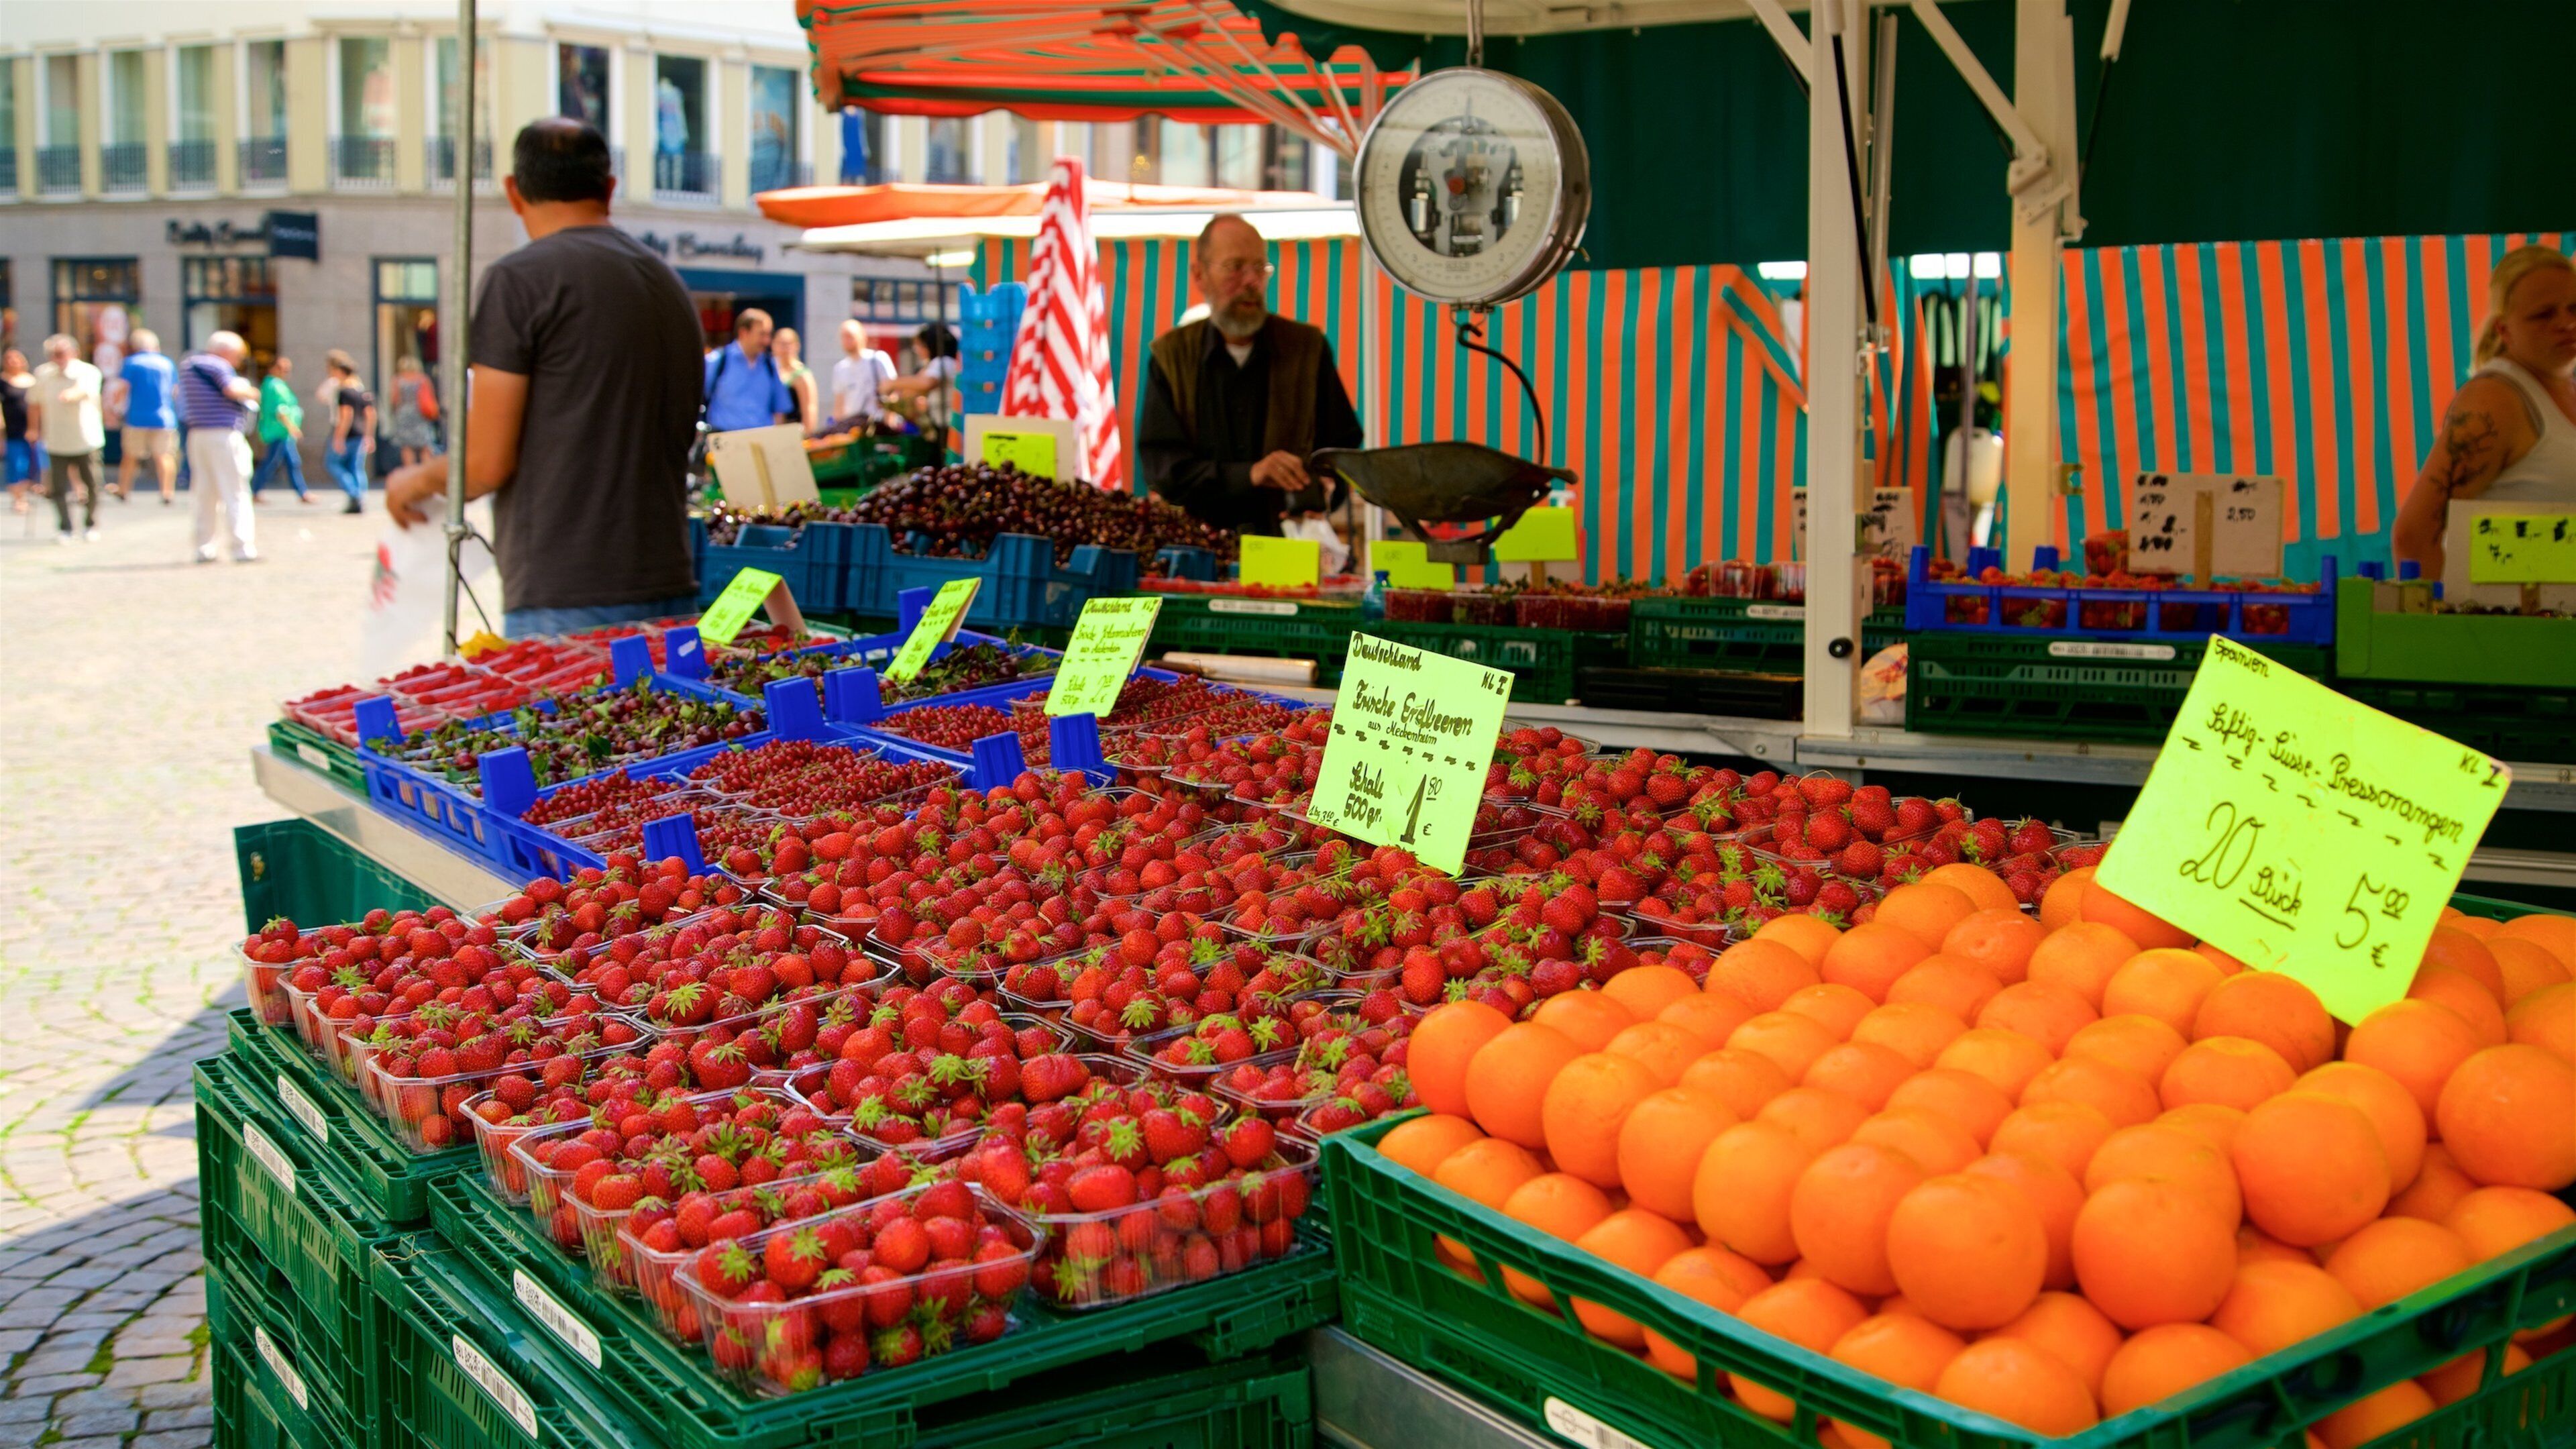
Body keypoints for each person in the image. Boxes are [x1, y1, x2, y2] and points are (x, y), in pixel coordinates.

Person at [384, 117, 701, 637]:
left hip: (566, 590)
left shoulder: (519, 281)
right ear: (610, 188)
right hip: (669, 577)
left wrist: (410, 481)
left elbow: (485, 463)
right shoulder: (667, 282)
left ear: (513, 191)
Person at [1138, 213, 1362, 534]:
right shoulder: (1171, 357)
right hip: (1198, 551)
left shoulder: (1307, 350)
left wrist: (1326, 488)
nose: (1250, 281)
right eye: (1235, 267)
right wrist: (1251, 474)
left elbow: (1342, 450)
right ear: (1199, 275)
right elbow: (1165, 471)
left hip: (1286, 553)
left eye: (1260, 268)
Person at [2396, 246, 2576, 577]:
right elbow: (2414, 537)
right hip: (2517, 625)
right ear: (2504, 331)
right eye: (2544, 314)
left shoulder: (2566, 386)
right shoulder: (2496, 400)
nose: (2566, 323)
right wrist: (2444, 625)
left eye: (2573, 308)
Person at [177, 329, 262, 562]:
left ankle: (205, 547)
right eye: (238, 356)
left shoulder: (189, 366)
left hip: (198, 435)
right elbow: (232, 390)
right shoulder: (217, 366)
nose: (238, 361)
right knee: (235, 490)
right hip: (223, 434)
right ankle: (242, 546)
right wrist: (252, 392)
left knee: (204, 492)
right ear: (227, 351)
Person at [30, 334, 107, 544]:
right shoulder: (43, 374)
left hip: (86, 438)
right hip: (56, 439)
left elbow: (83, 390)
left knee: (92, 484)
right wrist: (33, 429)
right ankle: (65, 527)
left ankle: (90, 524)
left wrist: (70, 395)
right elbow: (34, 402)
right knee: (57, 487)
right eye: (53, 355)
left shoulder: (87, 372)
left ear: (73, 353)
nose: (57, 358)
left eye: (61, 354)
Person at [112, 329, 178, 505]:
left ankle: (124, 490)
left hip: (137, 417)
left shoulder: (131, 363)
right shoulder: (167, 363)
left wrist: (114, 407)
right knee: (164, 455)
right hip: (164, 417)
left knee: (130, 456)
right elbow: (175, 391)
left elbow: (122, 389)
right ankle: (167, 492)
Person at [702, 309, 796, 433]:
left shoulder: (770, 366)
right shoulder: (718, 361)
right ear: (744, 333)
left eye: (769, 335)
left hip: (761, 442)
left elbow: (780, 410)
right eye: (762, 334)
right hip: (724, 441)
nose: (767, 341)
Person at [322, 352, 378, 513]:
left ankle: (354, 494)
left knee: (332, 463)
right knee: (356, 468)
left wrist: (338, 438)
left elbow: (346, 416)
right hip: (360, 434)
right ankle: (360, 498)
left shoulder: (345, 392)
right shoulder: (362, 391)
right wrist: (369, 436)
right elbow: (371, 414)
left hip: (347, 434)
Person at [250, 355, 311, 502]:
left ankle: (302, 493)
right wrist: (292, 428)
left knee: (292, 462)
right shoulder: (274, 385)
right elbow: (281, 410)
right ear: (273, 368)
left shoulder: (275, 384)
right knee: (273, 462)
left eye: (288, 369)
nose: (286, 371)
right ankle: (254, 491)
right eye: (282, 368)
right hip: (279, 431)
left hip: (281, 432)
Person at [828, 318, 894, 431]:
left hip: (877, 424)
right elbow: (839, 403)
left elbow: (892, 393)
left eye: (850, 336)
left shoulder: (878, 359)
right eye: (843, 337)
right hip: (850, 427)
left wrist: (889, 422)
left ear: (862, 336)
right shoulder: (840, 368)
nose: (847, 340)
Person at [385, 355, 441, 467]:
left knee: (407, 448)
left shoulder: (398, 379)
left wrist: (394, 412)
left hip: (404, 414)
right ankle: (426, 473)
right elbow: (430, 397)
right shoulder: (423, 379)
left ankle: (409, 472)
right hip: (421, 414)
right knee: (425, 446)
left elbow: (394, 399)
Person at [3, 350, 38, 516]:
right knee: (16, 465)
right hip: (12, 431)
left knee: (32, 465)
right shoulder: (3, 382)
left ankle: (26, 494)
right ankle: (19, 499)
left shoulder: (33, 381)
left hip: (32, 431)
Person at [773, 326, 819, 435]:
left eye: (788, 344)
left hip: (794, 434)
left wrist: (805, 435)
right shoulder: (772, 372)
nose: (785, 348)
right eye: (781, 344)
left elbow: (810, 410)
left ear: (797, 346)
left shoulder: (802, 375)